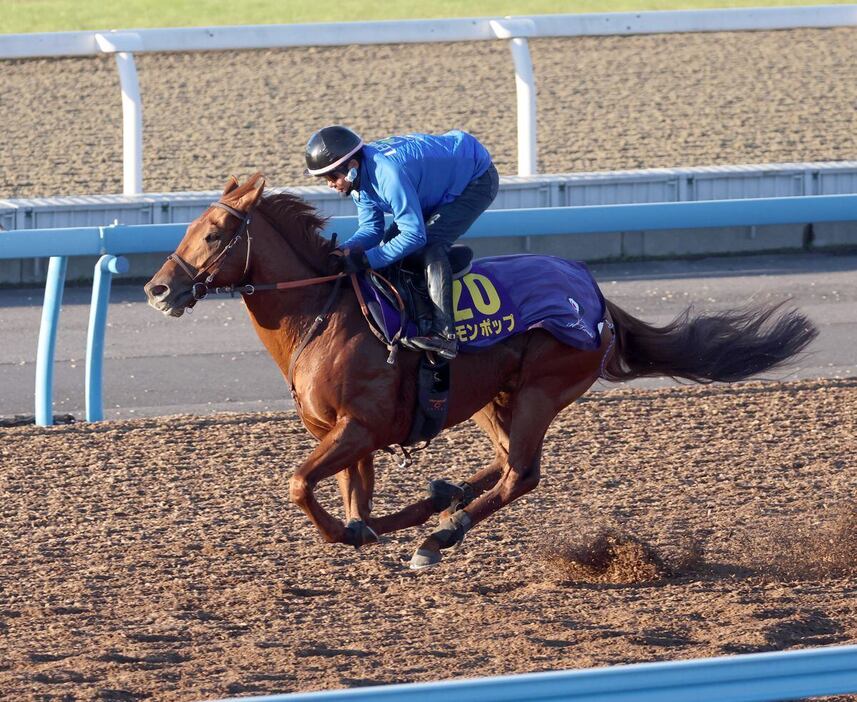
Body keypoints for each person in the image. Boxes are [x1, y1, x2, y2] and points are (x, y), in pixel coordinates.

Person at [304, 125, 499, 360]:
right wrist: (344, 251)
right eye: (324, 179)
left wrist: (367, 259)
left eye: (332, 177)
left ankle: (444, 334)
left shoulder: (388, 175)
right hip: (432, 185)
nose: (330, 184)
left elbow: (415, 236)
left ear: (352, 167)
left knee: (428, 245)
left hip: (475, 180)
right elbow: (372, 229)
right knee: (391, 246)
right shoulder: (357, 180)